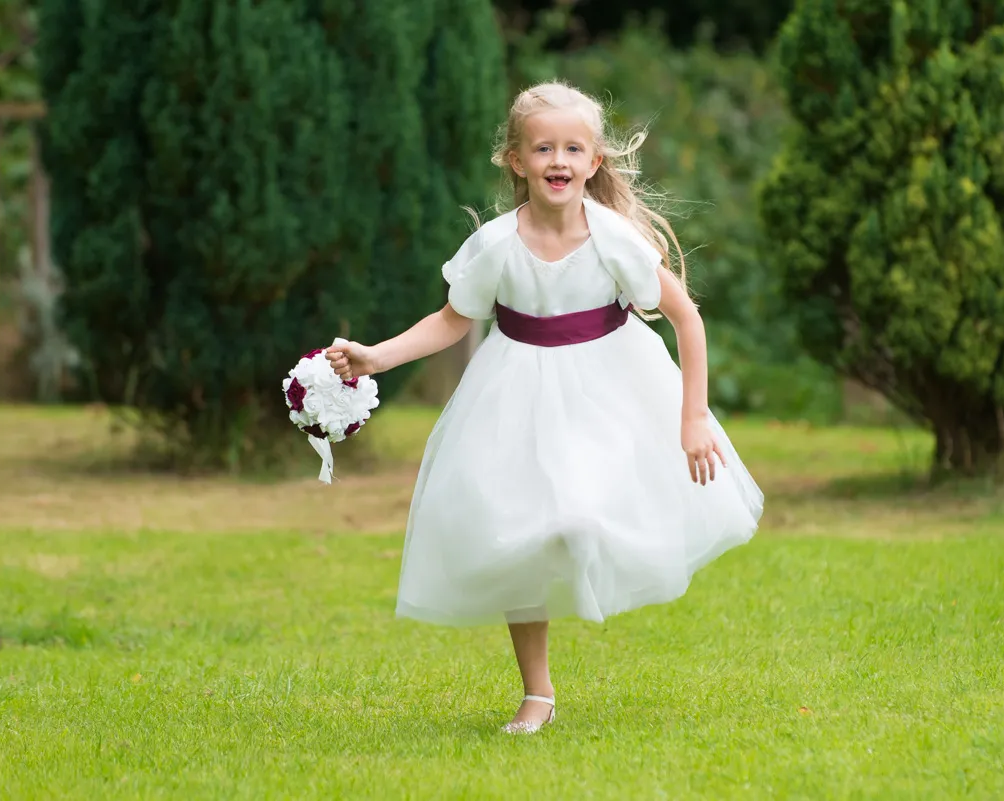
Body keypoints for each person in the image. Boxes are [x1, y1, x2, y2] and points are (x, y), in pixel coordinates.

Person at [325, 81, 763, 735]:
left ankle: (594, 543)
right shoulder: (496, 245)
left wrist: (693, 414)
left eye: (572, 148)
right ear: (516, 159)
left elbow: (686, 318)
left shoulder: (613, 239)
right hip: (515, 394)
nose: (558, 159)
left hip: (610, 389)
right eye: (543, 148)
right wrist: (377, 356)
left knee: (577, 515)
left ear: (593, 163)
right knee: (519, 532)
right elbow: (451, 319)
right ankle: (538, 691)